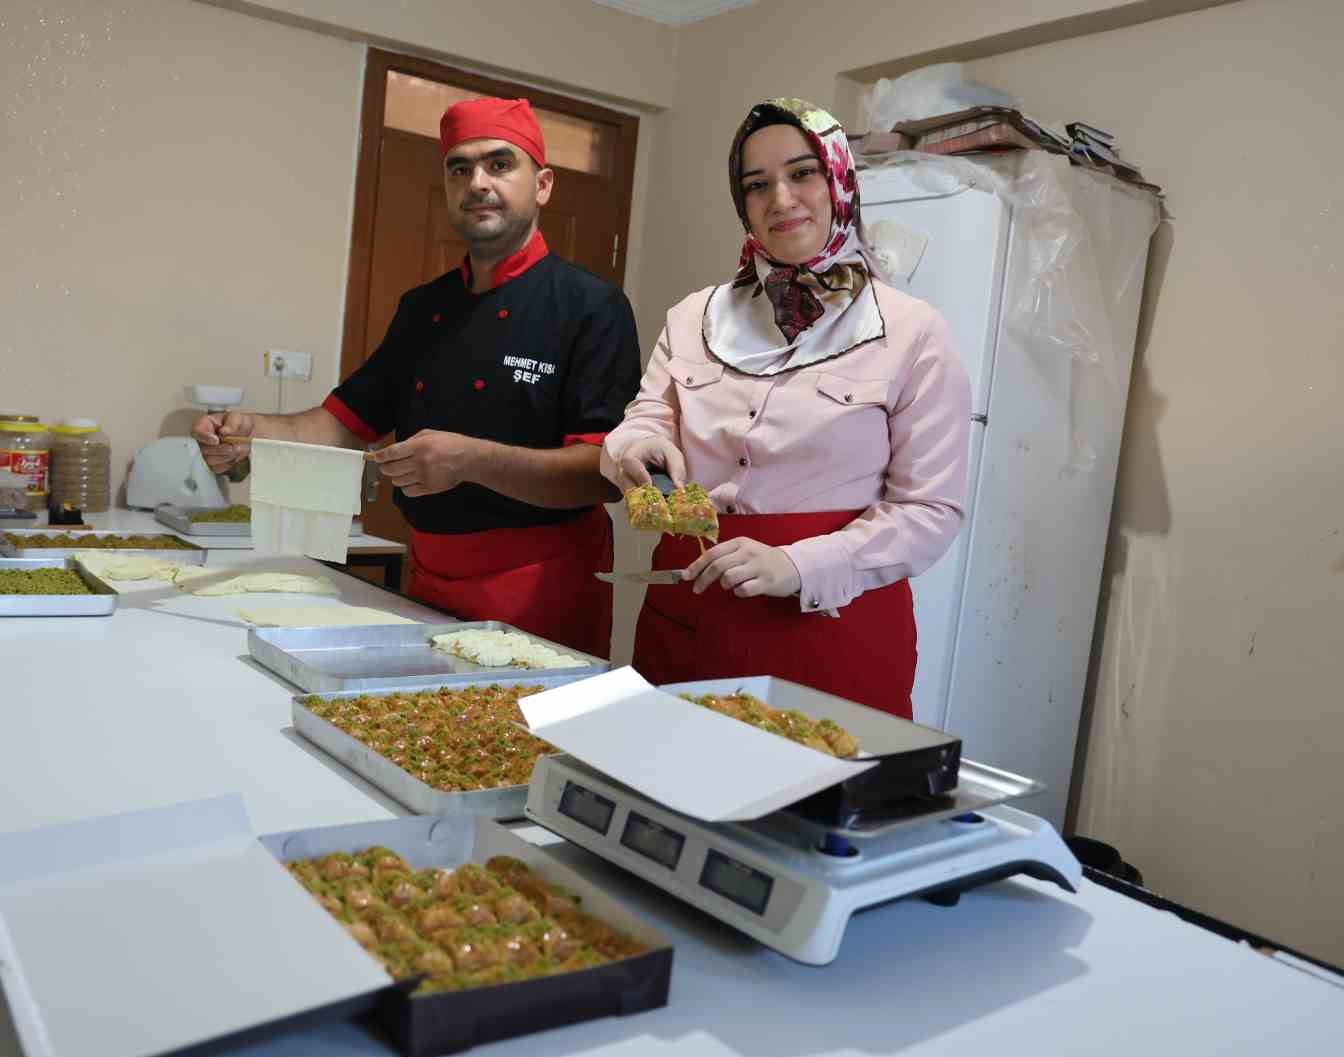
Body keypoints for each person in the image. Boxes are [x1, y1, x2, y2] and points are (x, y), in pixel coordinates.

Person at [196, 97, 640, 657]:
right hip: (427, 576)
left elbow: (603, 474)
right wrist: (250, 431)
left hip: (544, 586)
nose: (478, 182)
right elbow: (343, 423)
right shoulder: (423, 309)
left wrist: (471, 460)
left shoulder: (592, 306)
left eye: (500, 164)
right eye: (461, 168)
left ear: (543, 184)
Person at [601, 98, 971, 719]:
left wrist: (799, 564)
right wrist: (636, 448)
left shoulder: (913, 333)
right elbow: (646, 419)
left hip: (827, 629)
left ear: (839, 180)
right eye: (757, 184)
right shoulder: (694, 317)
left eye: (802, 173)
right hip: (688, 615)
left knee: (813, 803)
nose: (780, 198)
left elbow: (930, 510)